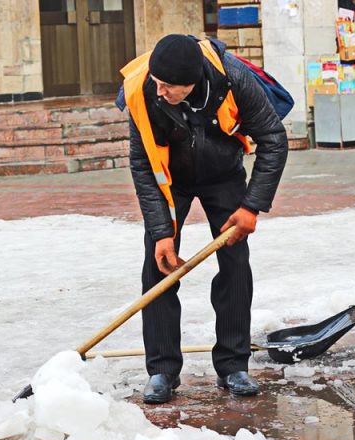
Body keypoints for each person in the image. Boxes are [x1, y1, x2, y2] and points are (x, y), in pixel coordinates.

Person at [118, 34, 288, 404]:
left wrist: (251, 206)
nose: (160, 91)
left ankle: (233, 365)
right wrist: (162, 232)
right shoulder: (141, 90)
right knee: (157, 265)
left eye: (170, 87)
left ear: (193, 81)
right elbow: (142, 164)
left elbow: (274, 138)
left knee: (235, 264)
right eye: (157, 83)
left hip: (223, 175)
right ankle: (162, 370)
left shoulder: (234, 78)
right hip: (171, 182)